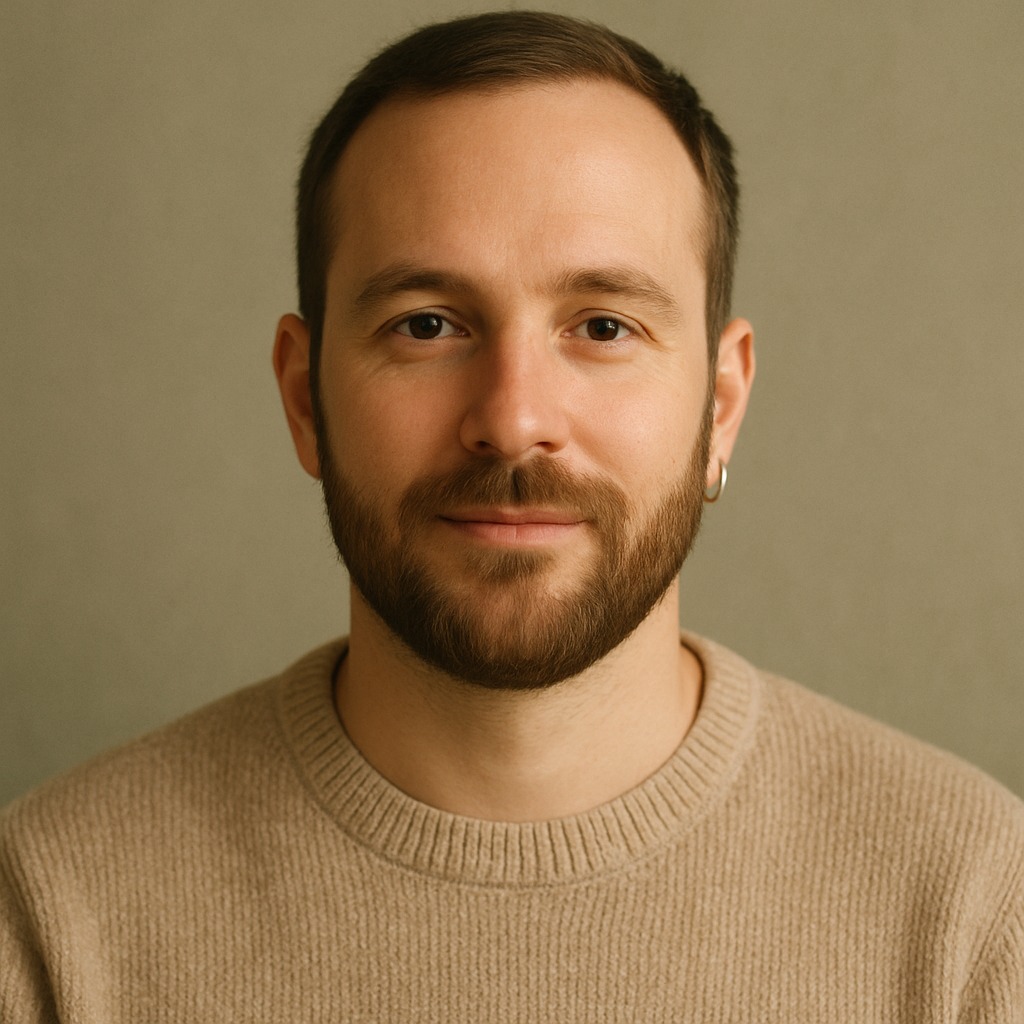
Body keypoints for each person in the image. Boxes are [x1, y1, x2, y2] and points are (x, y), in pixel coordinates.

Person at [2, 10, 1021, 1021]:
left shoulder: (976, 913)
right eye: (428, 324)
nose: (514, 418)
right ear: (306, 398)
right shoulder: (47, 921)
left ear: (719, 406)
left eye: (603, 325)